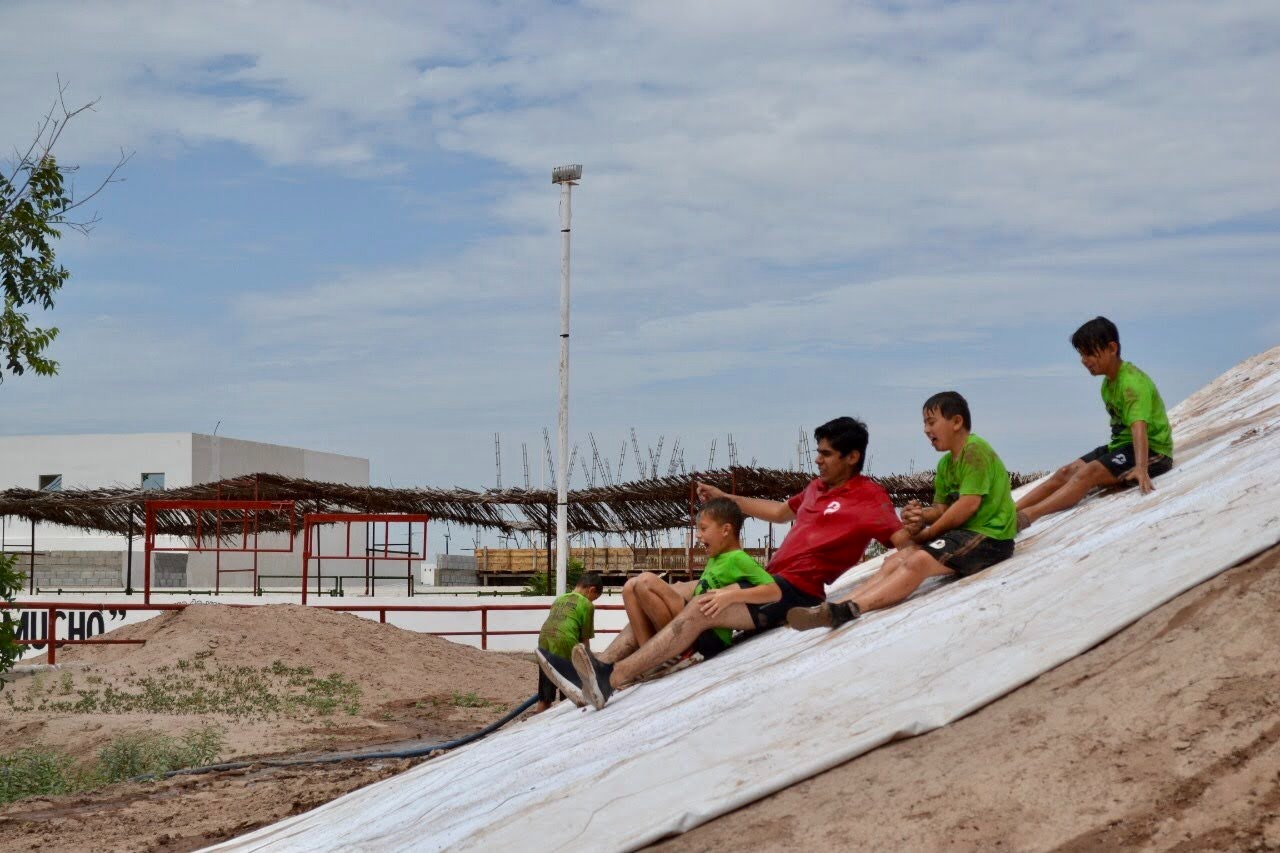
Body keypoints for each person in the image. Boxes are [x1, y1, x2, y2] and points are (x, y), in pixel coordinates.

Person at [560, 417, 910, 710]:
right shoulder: (816, 488)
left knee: (702, 606)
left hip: (796, 591)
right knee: (668, 588)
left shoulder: (870, 498)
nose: (818, 459)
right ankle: (599, 666)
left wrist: (924, 528)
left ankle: (616, 676)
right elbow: (777, 512)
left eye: (826, 454)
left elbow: (902, 543)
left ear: (852, 457)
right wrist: (728, 498)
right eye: (818, 452)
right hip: (767, 578)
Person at [788, 391, 1016, 631]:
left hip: (990, 538)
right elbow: (941, 509)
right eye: (924, 424)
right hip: (964, 536)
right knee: (894, 560)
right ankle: (835, 606)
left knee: (917, 561)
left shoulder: (974, 451)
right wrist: (919, 515)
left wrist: (928, 533)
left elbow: (968, 504)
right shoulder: (945, 464)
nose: (926, 430)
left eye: (931, 422)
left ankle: (850, 608)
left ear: (957, 422)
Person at [536, 498, 773, 705]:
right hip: (692, 628)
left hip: (707, 637)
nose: (698, 535)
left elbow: (772, 589)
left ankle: (667, 655)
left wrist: (732, 595)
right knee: (630, 587)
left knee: (646, 581)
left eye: (703, 528)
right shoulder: (717, 559)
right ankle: (650, 658)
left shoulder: (739, 558)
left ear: (725, 530)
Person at [1015, 316, 1173, 531]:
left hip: (1153, 451)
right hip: (1121, 447)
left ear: (1112, 348)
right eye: (1081, 354)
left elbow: (1139, 426)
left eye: (1089, 353)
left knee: (1087, 474)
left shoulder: (1131, 383)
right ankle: (1009, 512)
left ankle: (1026, 517)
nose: (1084, 360)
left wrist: (1141, 467)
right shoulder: (1107, 385)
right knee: (1065, 472)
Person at [533, 571, 602, 712]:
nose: (592, 601)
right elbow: (584, 642)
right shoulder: (587, 605)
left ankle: (537, 722)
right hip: (566, 645)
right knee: (573, 697)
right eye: (594, 598)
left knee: (545, 697)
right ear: (592, 590)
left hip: (544, 644)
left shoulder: (559, 599)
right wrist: (591, 666)